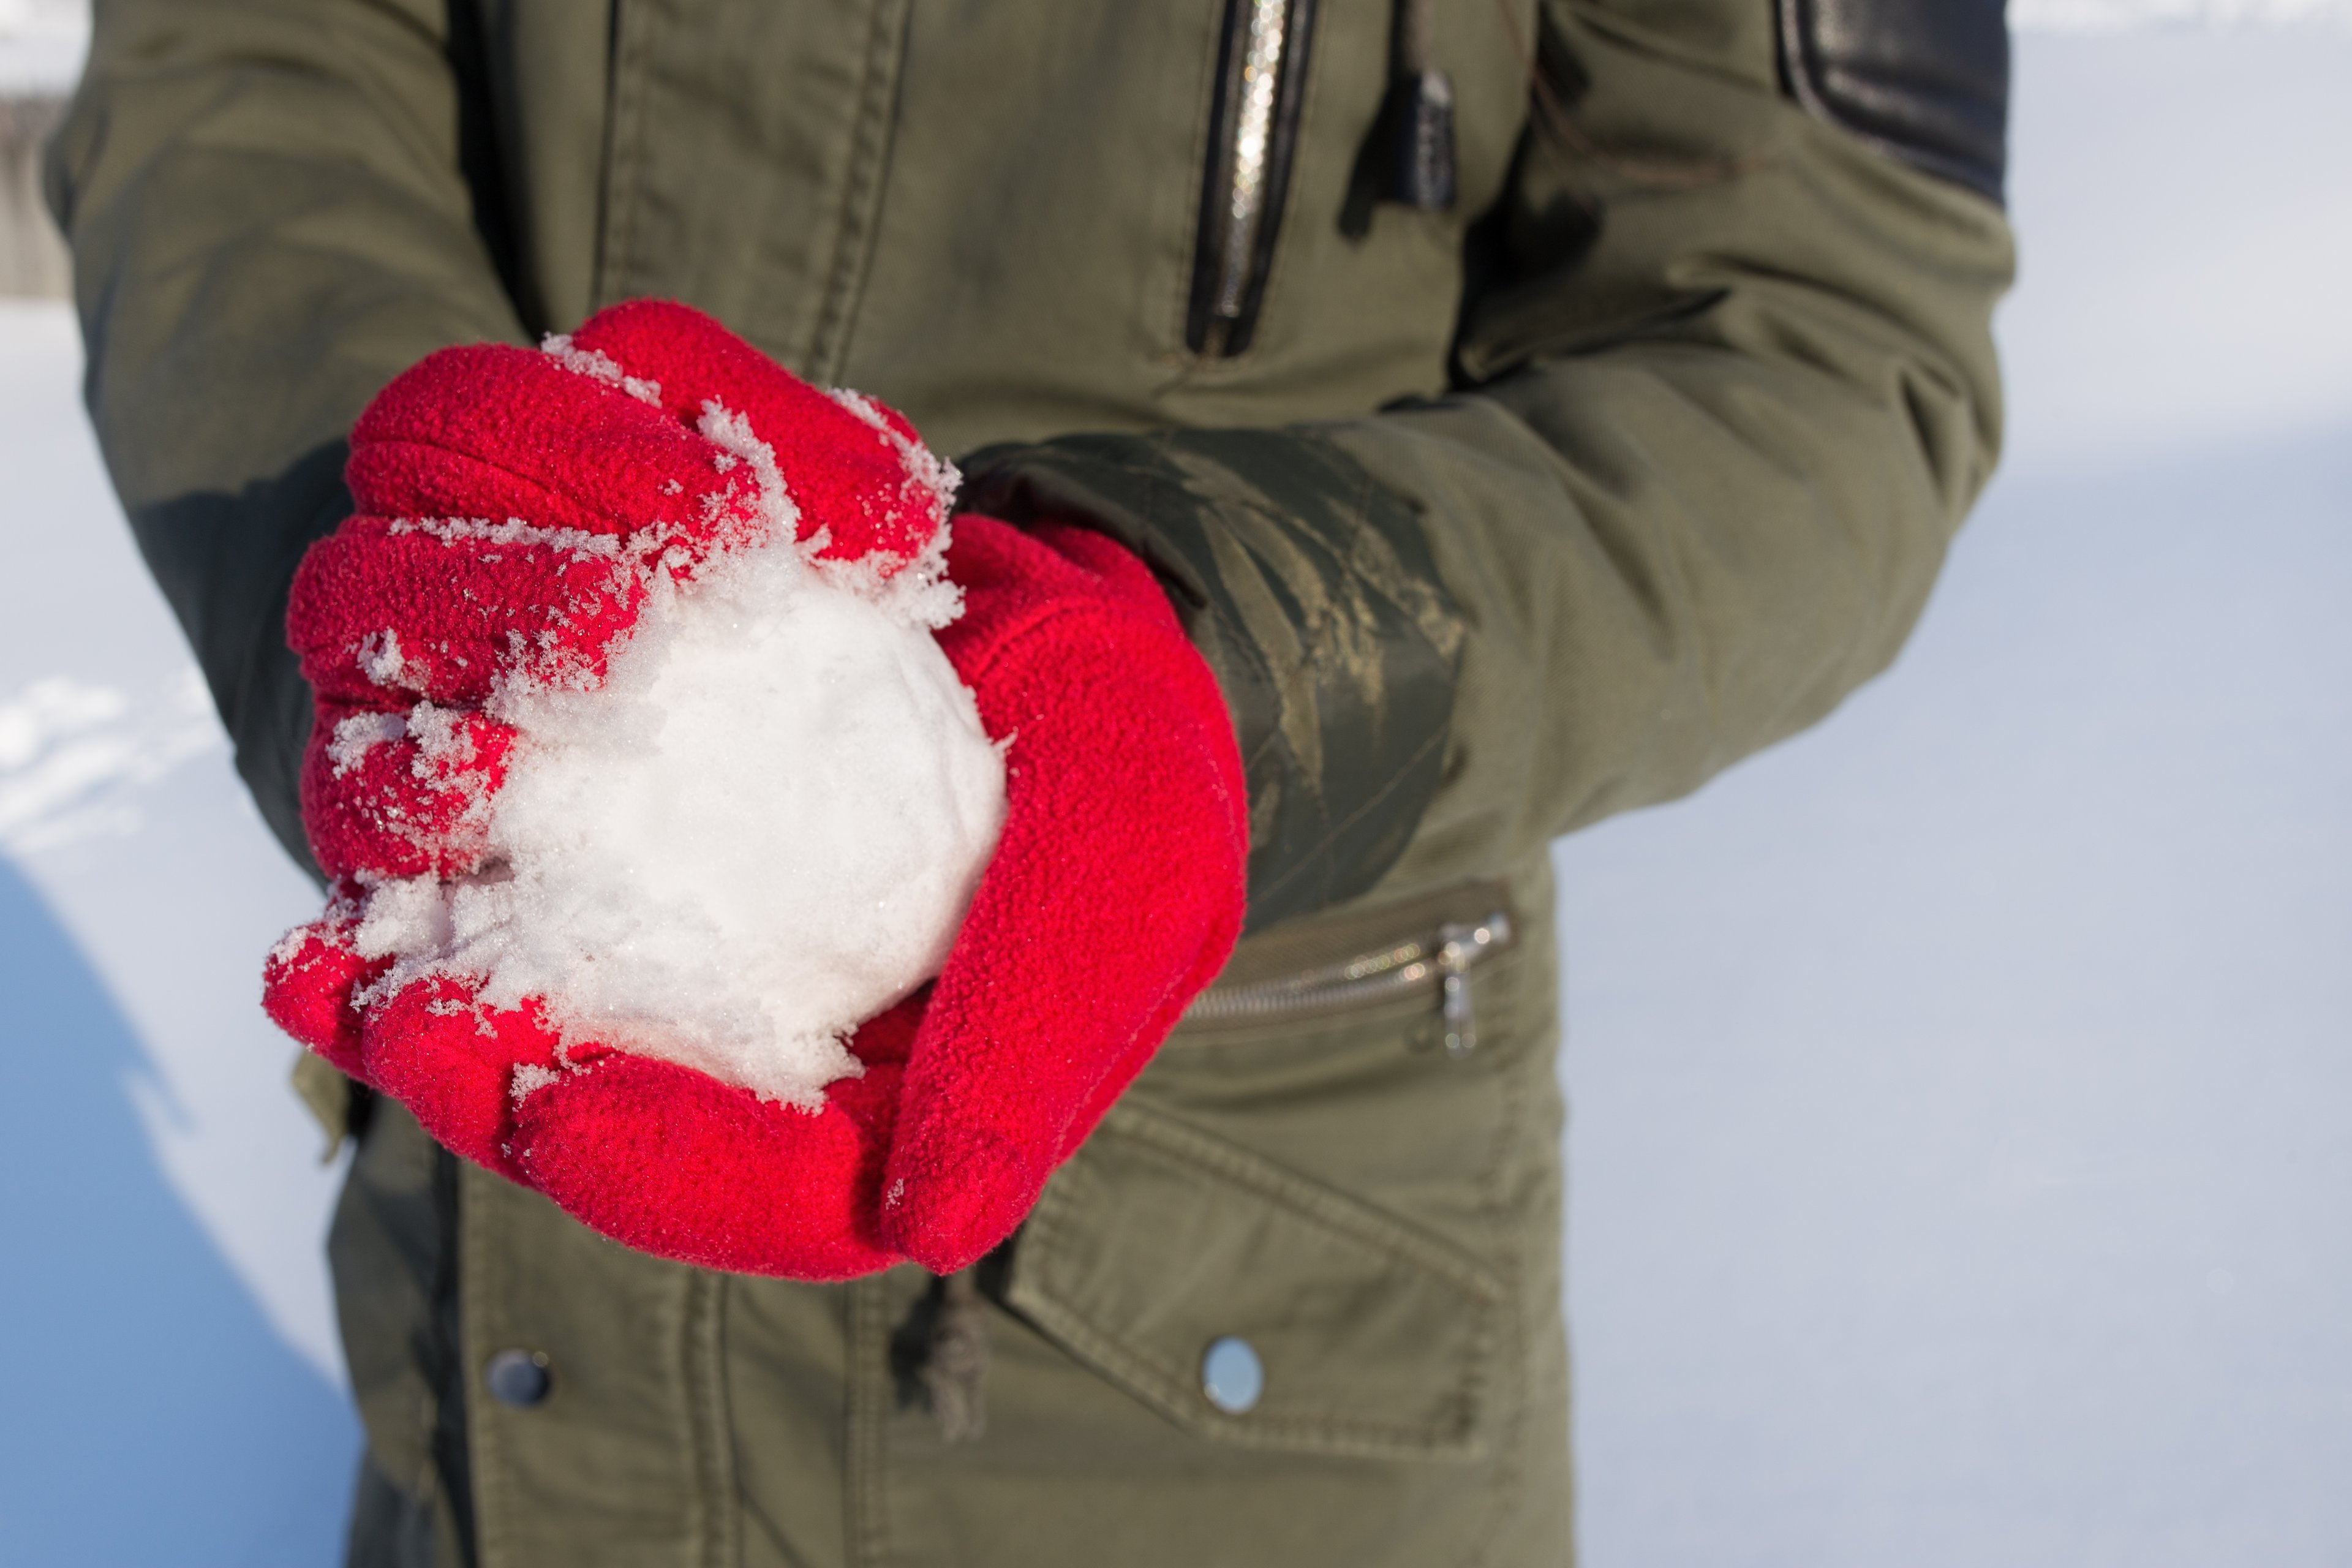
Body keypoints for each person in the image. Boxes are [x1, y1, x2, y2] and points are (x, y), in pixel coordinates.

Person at [44, 0, 2012, 1562]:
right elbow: (246, 67)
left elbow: (1814, 348)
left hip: (1231, 1328)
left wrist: (1226, 657)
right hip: (510, 1328)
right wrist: (401, 574)